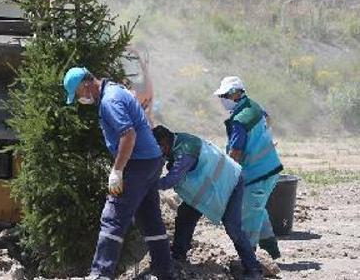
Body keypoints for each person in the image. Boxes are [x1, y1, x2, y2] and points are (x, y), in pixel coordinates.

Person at [63, 67, 174, 280]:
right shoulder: (114, 90)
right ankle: (165, 271)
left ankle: (100, 274)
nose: (80, 99)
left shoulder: (109, 101)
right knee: (150, 217)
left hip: (137, 163)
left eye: (77, 94)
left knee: (112, 217)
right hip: (151, 161)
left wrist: (117, 170)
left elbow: (128, 135)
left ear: (85, 85)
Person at [152, 125, 263, 279]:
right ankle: (178, 256)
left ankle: (254, 269)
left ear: (164, 143)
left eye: (157, 148)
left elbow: (172, 180)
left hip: (231, 183)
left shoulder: (185, 151)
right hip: (211, 188)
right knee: (185, 215)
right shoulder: (176, 141)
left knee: (233, 227)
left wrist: (147, 184)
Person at [214, 76, 283, 259]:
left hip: (258, 173)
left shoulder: (240, 119)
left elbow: (235, 152)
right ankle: (272, 250)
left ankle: (249, 258)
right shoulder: (254, 106)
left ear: (236, 94)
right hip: (269, 168)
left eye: (225, 95)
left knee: (250, 214)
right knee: (258, 208)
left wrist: (227, 177)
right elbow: (269, 121)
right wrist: (261, 140)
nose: (223, 99)